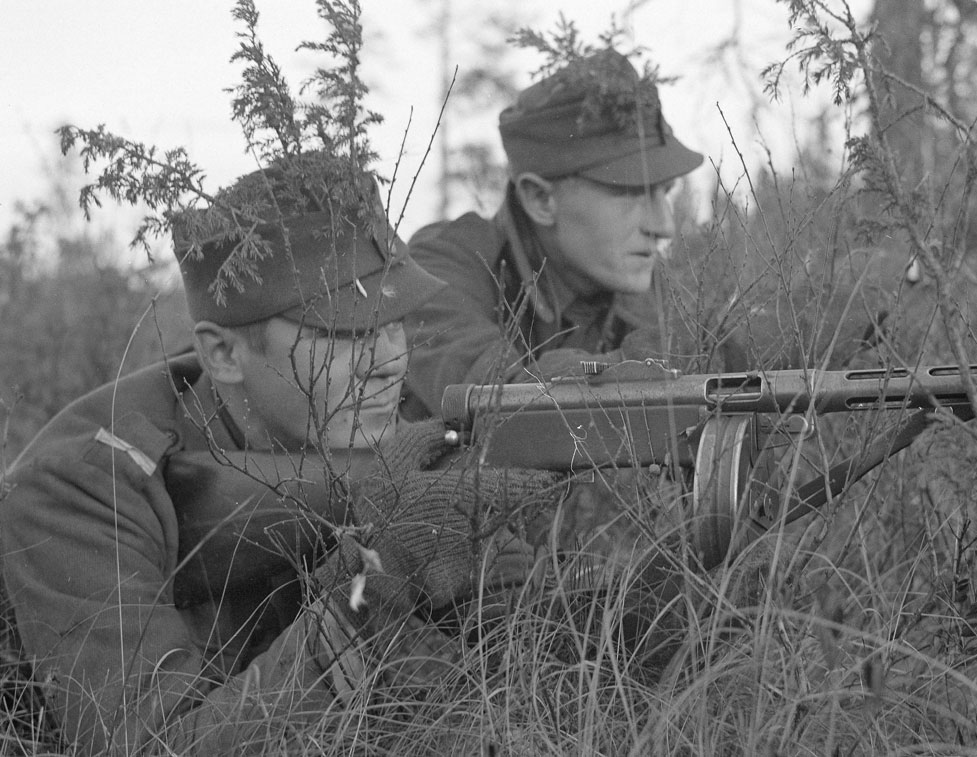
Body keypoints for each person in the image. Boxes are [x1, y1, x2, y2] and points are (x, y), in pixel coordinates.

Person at [0, 152, 565, 755]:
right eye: (345, 334)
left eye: (394, 323)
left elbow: (524, 657)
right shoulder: (82, 486)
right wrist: (378, 576)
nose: (389, 362)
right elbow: (156, 746)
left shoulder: (378, 437)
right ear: (223, 355)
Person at [401, 48, 717, 420]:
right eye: (632, 192)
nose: (663, 226)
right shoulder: (439, 271)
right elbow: (507, 409)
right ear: (540, 200)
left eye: (666, 191)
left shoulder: (647, 290)